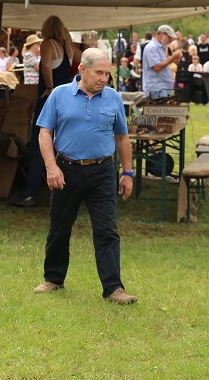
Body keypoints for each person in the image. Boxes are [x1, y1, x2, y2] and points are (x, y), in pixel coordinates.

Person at [31, 48, 136, 305]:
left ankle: (114, 289)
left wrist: (128, 173)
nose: (104, 79)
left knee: (107, 230)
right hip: (66, 169)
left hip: (101, 171)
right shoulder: (59, 95)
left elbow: (122, 137)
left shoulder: (112, 98)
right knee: (59, 227)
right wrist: (51, 167)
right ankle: (53, 279)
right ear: (82, 70)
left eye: (107, 74)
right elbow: (44, 133)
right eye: (98, 73)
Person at [14, 15, 81, 207]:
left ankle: (31, 192)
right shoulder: (67, 45)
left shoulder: (48, 44)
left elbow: (45, 66)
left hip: (49, 100)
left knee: (38, 144)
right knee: (64, 143)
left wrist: (50, 86)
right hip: (67, 100)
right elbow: (83, 59)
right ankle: (68, 189)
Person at [141, 24, 183, 101]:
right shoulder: (152, 47)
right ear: (162, 34)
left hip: (162, 88)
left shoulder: (160, 47)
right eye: (169, 37)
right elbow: (157, 67)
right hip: (156, 89)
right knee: (160, 112)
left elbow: (164, 63)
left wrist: (174, 59)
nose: (170, 40)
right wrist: (173, 57)